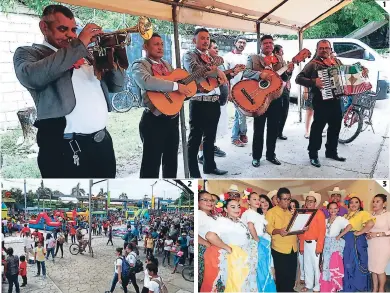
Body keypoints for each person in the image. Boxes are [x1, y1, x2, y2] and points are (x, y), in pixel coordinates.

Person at [13, 4, 124, 178]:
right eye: (63, 29)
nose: (71, 35)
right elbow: (32, 77)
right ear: (44, 27)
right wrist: (79, 45)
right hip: (65, 150)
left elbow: (117, 86)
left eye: (73, 29)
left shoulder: (85, 53)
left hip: (102, 145)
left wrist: (112, 54)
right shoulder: (29, 54)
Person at [295, 40, 368, 168]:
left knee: (335, 127)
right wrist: (314, 82)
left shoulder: (337, 62)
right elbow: (298, 78)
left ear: (330, 49)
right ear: (317, 50)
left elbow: (348, 74)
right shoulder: (313, 64)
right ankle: (313, 154)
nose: (324, 50)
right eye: (321, 48)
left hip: (337, 101)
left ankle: (331, 152)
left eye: (326, 48)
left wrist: (360, 71)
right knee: (317, 128)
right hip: (320, 101)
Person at [132, 33, 191, 178]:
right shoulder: (140, 64)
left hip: (172, 119)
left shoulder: (167, 65)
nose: (160, 47)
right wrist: (177, 86)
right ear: (145, 46)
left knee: (171, 162)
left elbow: (173, 90)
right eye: (156, 44)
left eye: (162, 44)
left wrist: (186, 90)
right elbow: (146, 81)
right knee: (151, 164)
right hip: (153, 120)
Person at [183, 27, 228, 177]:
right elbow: (196, 71)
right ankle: (194, 173)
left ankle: (210, 166)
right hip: (199, 102)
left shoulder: (211, 57)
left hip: (213, 101)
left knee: (210, 138)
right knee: (195, 140)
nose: (206, 41)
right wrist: (217, 71)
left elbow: (215, 77)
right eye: (202, 38)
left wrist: (225, 72)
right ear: (194, 40)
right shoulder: (189, 55)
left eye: (208, 38)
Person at [244, 35, 294, 168]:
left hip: (276, 98)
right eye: (265, 43)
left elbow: (284, 77)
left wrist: (289, 72)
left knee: (273, 129)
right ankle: (256, 157)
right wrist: (260, 75)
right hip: (259, 98)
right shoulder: (253, 58)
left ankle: (271, 155)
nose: (268, 45)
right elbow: (246, 73)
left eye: (270, 43)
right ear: (261, 45)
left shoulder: (279, 59)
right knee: (258, 129)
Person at [203, 198, 257, 292]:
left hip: (246, 258)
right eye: (233, 207)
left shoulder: (240, 222)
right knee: (236, 286)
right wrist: (226, 247)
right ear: (225, 209)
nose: (237, 209)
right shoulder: (222, 221)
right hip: (234, 259)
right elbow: (210, 236)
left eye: (238, 206)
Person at [265, 187, 299, 292]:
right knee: (282, 276)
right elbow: (269, 228)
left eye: (289, 199)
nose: (287, 201)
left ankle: (290, 289)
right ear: (278, 200)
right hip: (279, 249)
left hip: (293, 247)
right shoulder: (271, 212)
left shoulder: (291, 213)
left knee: (292, 274)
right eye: (284, 199)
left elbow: (294, 228)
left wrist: (302, 227)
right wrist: (279, 231)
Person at [241, 192, 276, 292]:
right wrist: (257, 240)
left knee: (265, 267)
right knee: (261, 268)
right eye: (254, 199)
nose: (257, 202)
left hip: (262, 242)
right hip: (256, 244)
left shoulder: (257, 214)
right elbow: (250, 226)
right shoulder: (249, 213)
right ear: (248, 201)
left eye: (258, 199)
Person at [341, 196, 374, 292]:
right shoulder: (346, 215)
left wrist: (360, 232)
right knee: (347, 263)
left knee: (357, 262)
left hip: (356, 241)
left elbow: (371, 223)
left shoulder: (362, 213)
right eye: (351, 202)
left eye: (356, 202)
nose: (353, 204)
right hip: (347, 241)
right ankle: (348, 287)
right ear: (348, 204)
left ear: (360, 204)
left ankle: (359, 286)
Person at [319, 202, 350, 292]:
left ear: (338, 209)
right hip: (326, 244)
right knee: (326, 265)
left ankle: (334, 288)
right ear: (328, 210)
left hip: (335, 245)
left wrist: (340, 236)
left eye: (335, 208)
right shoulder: (325, 220)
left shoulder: (340, 219)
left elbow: (349, 226)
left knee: (334, 265)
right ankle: (327, 288)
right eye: (331, 208)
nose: (333, 210)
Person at [298, 191, 326, 292]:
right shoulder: (303, 213)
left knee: (316, 266)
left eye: (311, 201)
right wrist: (301, 246)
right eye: (307, 200)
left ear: (315, 203)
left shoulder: (319, 214)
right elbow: (300, 232)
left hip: (315, 243)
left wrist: (319, 247)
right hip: (305, 243)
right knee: (307, 265)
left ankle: (318, 286)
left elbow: (322, 232)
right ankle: (309, 284)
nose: (309, 203)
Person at [224, 36, 249, 147]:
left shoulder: (246, 57)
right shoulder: (227, 57)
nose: (242, 44)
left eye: (244, 43)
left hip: (245, 90)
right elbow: (225, 76)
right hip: (233, 89)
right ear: (235, 43)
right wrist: (228, 92)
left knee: (240, 114)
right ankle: (237, 136)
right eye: (240, 42)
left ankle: (239, 135)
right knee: (241, 113)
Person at [367, 194, 390, 293]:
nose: (374, 203)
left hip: (383, 245)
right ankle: (374, 289)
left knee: (380, 269)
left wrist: (378, 234)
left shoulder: (388, 215)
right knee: (373, 268)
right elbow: (367, 229)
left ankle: (381, 290)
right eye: (374, 201)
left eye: (378, 201)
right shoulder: (370, 215)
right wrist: (367, 234)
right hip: (371, 245)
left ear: (384, 204)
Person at [198, 190, 217, 291]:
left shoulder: (212, 216)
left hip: (214, 250)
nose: (209, 202)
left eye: (211, 200)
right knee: (206, 279)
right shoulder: (199, 214)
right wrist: (206, 243)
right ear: (198, 202)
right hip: (205, 250)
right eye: (205, 200)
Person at [273, 44, 291, 140]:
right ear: (276, 52)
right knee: (276, 111)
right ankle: (274, 132)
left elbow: (286, 77)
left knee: (285, 111)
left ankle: (280, 132)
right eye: (281, 51)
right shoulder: (272, 62)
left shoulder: (284, 62)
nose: (283, 53)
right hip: (275, 90)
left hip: (285, 90)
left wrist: (289, 72)